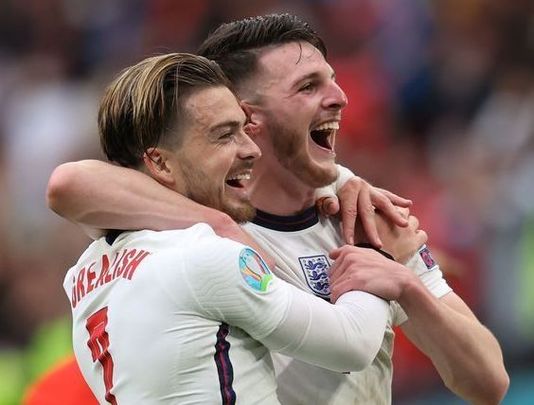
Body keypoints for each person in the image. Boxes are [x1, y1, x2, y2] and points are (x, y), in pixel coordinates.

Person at [48, 14, 509, 404]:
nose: (340, 97)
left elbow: (488, 382)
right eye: (308, 86)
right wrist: (223, 223)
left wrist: (406, 286)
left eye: (333, 80)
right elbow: (70, 184)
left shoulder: (363, 214)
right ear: (249, 117)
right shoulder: (181, 222)